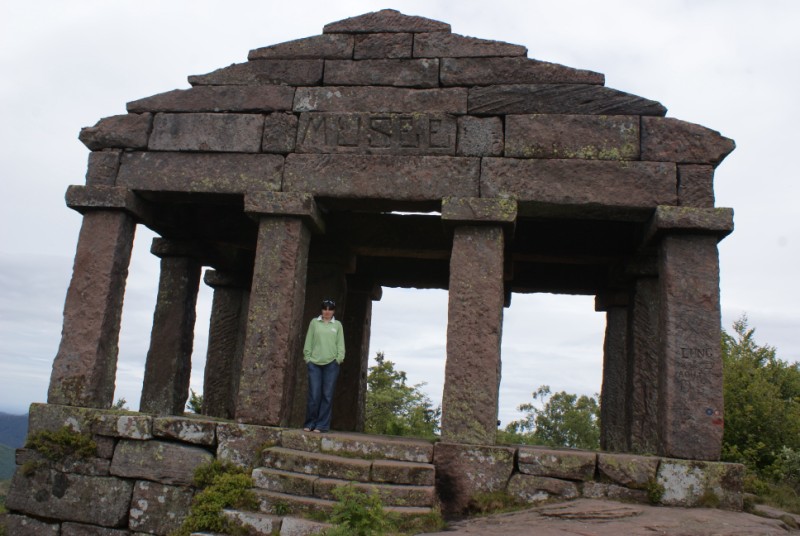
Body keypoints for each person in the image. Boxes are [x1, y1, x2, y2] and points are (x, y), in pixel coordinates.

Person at [302, 298, 345, 433]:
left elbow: (340, 344)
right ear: (321, 310)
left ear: (333, 311)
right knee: (314, 395)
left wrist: (339, 358)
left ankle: (322, 425)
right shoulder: (315, 322)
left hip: (331, 364)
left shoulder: (337, 325)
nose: (327, 312)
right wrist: (307, 358)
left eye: (330, 309)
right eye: (325, 309)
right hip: (314, 363)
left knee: (327, 395)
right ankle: (310, 423)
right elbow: (309, 340)